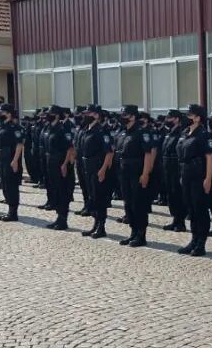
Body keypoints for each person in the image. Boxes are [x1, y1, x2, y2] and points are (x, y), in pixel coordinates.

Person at [176, 104, 212, 256]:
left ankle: (201, 244)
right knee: (191, 209)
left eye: (190, 115)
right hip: (186, 174)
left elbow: (210, 158)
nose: (187, 118)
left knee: (200, 210)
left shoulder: (204, 134)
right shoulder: (185, 132)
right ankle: (193, 239)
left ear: (198, 118)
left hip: (199, 176)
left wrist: (208, 178)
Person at [115, 105, 154, 247]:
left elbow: (148, 154)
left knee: (139, 204)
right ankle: (133, 232)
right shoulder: (123, 132)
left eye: (125, 115)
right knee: (128, 203)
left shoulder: (142, 132)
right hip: (124, 171)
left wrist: (145, 174)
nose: (122, 118)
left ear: (132, 116)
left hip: (137, 172)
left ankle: (141, 235)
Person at [78, 105, 114, 237]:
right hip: (87, 167)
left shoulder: (101, 131)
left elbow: (109, 153)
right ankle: (95, 224)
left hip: (97, 168)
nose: (86, 116)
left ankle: (101, 227)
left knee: (99, 198)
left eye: (89, 113)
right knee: (92, 198)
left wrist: (103, 170)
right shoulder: (87, 130)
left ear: (97, 115)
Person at [162, 109, 188, 232]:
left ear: (177, 119)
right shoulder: (169, 133)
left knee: (178, 195)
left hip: (176, 167)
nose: (167, 120)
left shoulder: (181, 133)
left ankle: (180, 222)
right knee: (171, 195)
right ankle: (175, 220)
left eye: (170, 118)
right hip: (167, 167)